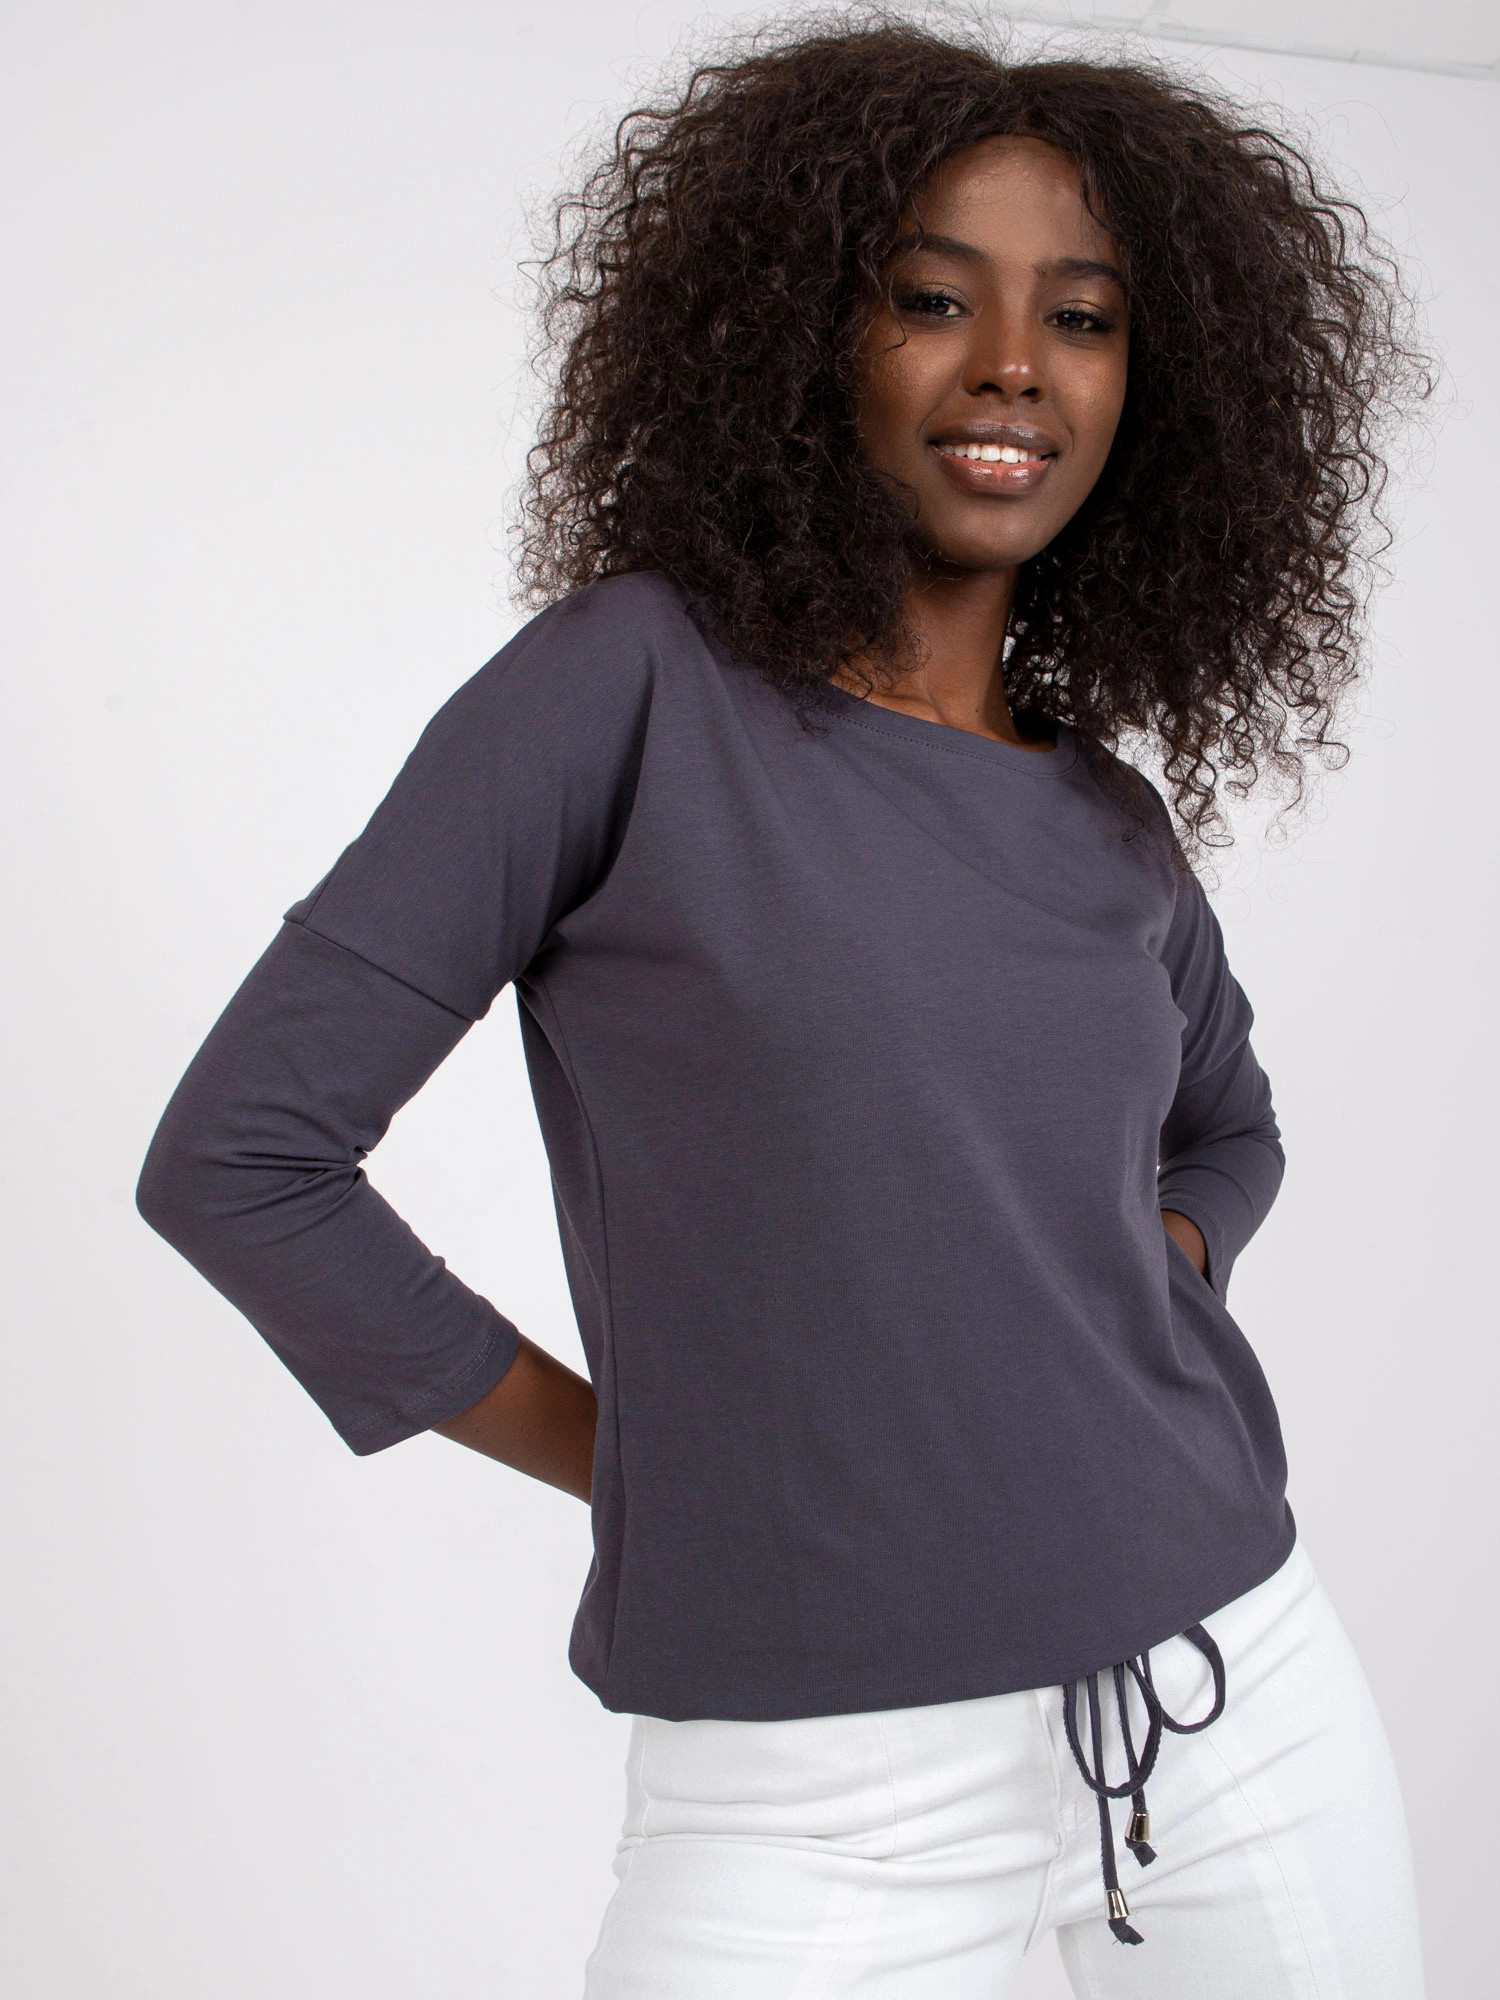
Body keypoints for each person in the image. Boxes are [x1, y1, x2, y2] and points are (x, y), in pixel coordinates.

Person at [136, 15, 1431, 1996]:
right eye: (934, 297)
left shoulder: (1103, 816)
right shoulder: (629, 690)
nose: (1015, 364)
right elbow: (243, 1157)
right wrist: (640, 1459)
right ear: (803, 332)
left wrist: (1133, 1292)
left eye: (1082, 317)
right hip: (823, 1791)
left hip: (1230, 1682)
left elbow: (1229, 1127)